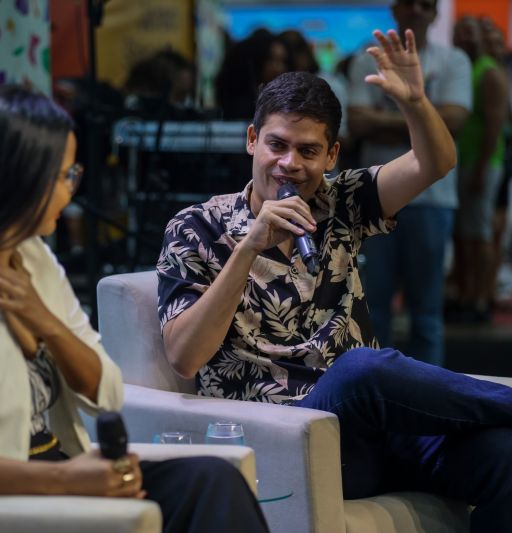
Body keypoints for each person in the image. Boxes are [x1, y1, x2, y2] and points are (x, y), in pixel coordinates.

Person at [157, 29, 512, 531]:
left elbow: (436, 163)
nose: (290, 164)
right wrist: (248, 248)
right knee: (360, 370)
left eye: (308, 151)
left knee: (503, 454)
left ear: (331, 156)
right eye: (277, 145)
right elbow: (184, 356)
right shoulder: (197, 227)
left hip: (373, 433)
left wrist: (415, 104)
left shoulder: (341, 201)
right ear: (252, 140)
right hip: (286, 436)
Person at [0, 85, 269, 533]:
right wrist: (64, 479)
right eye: (64, 176)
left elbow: (107, 394)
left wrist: (47, 324)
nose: (71, 193)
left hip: (61, 467)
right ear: (17, 179)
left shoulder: (32, 257)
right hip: (13, 492)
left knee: (211, 480)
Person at [348, 0, 471, 365]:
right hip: (375, 198)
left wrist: (392, 115)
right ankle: (376, 388)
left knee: (427, 313)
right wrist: (424, 118)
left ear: (434, 13)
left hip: (433, 200)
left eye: (426, 5)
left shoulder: (454, 60)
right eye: (410, 3)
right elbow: (357, 122)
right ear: (395, 8)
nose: (417, 10)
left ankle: (428, 392)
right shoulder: (366, 58)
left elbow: (455, 122)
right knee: (372, 309)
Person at [450, 15, 508, 323]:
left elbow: (495, 126)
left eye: (471, 33)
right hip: (467, 162)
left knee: (480, 233)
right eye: (461, 33)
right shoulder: (467, 70)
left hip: (483, 164)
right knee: (466, 234)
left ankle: (481, 300)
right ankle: (467, 294)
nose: (466, 39)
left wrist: (482, 170)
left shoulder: (489, 73)